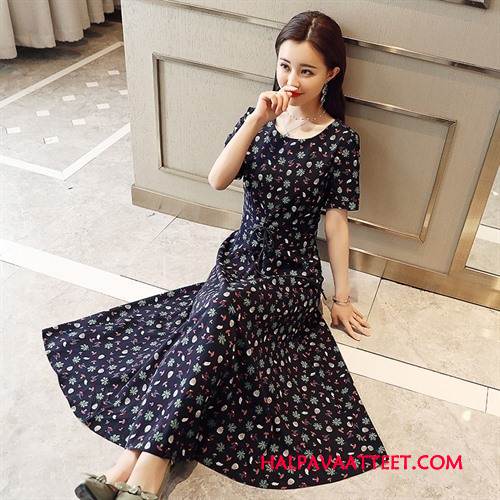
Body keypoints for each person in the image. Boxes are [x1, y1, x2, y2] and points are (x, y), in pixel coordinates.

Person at [41, 10, 387, 499]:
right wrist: (257, 120)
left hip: (290, 275)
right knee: (208, 327)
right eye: (284, 66)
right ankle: (129, 470)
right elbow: (218, 179)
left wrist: (342, 298)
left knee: (220, 311)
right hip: (239, 257)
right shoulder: (258, 119)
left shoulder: (341, 142)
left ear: (332, 74)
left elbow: (336, 223)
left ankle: (137, 467)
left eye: (306, 71)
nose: (291, 80)